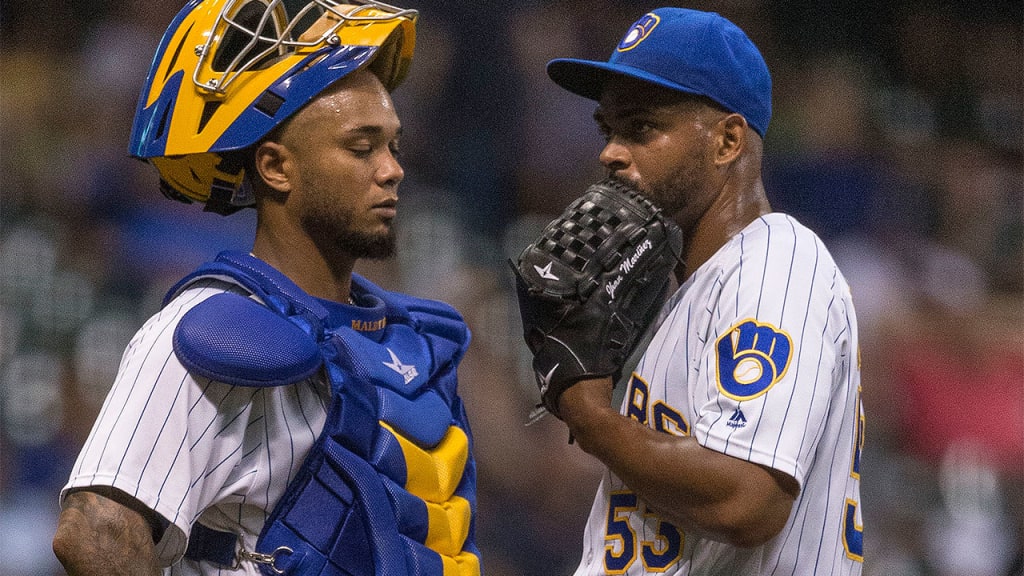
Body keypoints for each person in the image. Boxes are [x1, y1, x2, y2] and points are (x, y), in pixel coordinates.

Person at [52, 1, 481, 574]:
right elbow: (96, 533)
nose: (391, 169)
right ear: (277, 167)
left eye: (393, 146)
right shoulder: (209, 330)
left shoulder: (412, 340)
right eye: (362, 148)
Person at [540, 8, 864, 574]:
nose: (610, 152)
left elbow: (746, 500)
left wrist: (589, 416)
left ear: (728, 141)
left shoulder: (776, 265)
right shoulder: (687, 289)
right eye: (607, 130)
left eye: (640, 129)